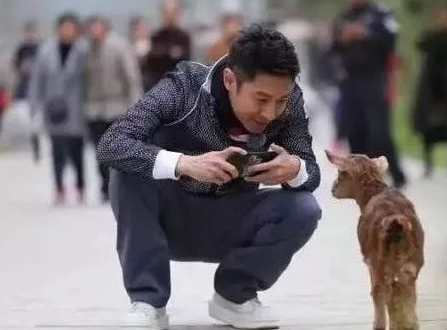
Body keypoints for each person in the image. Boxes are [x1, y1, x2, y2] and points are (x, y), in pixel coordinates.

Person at [97, 25, 322, 329]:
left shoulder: (290, 102)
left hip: (233, 219)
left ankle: (235, 298)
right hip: (166, 221)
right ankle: (148, 303)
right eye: (261, 99)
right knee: (128, 170)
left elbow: (311, 171)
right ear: (230, 80)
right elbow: (112, 143)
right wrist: (184, 164)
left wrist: (293, 168)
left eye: (280, 101)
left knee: (304, 207)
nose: (270, 113)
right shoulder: (183, 87)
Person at [331, 0, 407, 187]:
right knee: (355, 131)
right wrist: (343, 38)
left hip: (375, 79)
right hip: (351, 81)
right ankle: (363, 179)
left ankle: (396, 174)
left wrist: (366, 34)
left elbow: (391, 39)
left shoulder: (380, 13)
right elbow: (332, 48)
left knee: (378, 131)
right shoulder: (344, 18)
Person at [29, 12, 88, 205]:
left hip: (76, 108)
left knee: (77, 151)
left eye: (71, 27)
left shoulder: (83, 50)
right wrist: (34, 105)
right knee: (57, 151)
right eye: (64, 27)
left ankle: (80, 186)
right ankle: (59, 187)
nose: (67, 31)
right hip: (53, 108)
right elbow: (37, 80)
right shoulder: (46, 51)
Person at [84, 15, 142, 202]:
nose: (94, 33)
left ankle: (119, 186)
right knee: (99, 150)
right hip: (94, 108)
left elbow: (131, 78)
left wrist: (136, 106)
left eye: (97, 28)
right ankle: (104, 185)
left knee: (117, 150)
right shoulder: (85, 50)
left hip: (117, 106)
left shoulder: (119, 46)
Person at [412, 3, 447, 177]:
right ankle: (428, 163)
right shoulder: (429, 36)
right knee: (428, 126)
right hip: (431, 86)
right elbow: (421, 45)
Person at [144, 0, 191, 92]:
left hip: (180, 88)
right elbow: (152, 63)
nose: (170, 16)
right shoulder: (156, 37)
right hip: (158, 88)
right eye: (166, 12)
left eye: (173, 12)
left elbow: (184, 61)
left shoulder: (184, 37)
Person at [13, 21, 41, 162]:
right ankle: (33, 143)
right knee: (29, 120)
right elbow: (16, 66)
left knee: (38, 119)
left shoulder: (40, 48)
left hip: (39, 89)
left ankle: (38, 142)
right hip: (24, 89)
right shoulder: (21, 49)